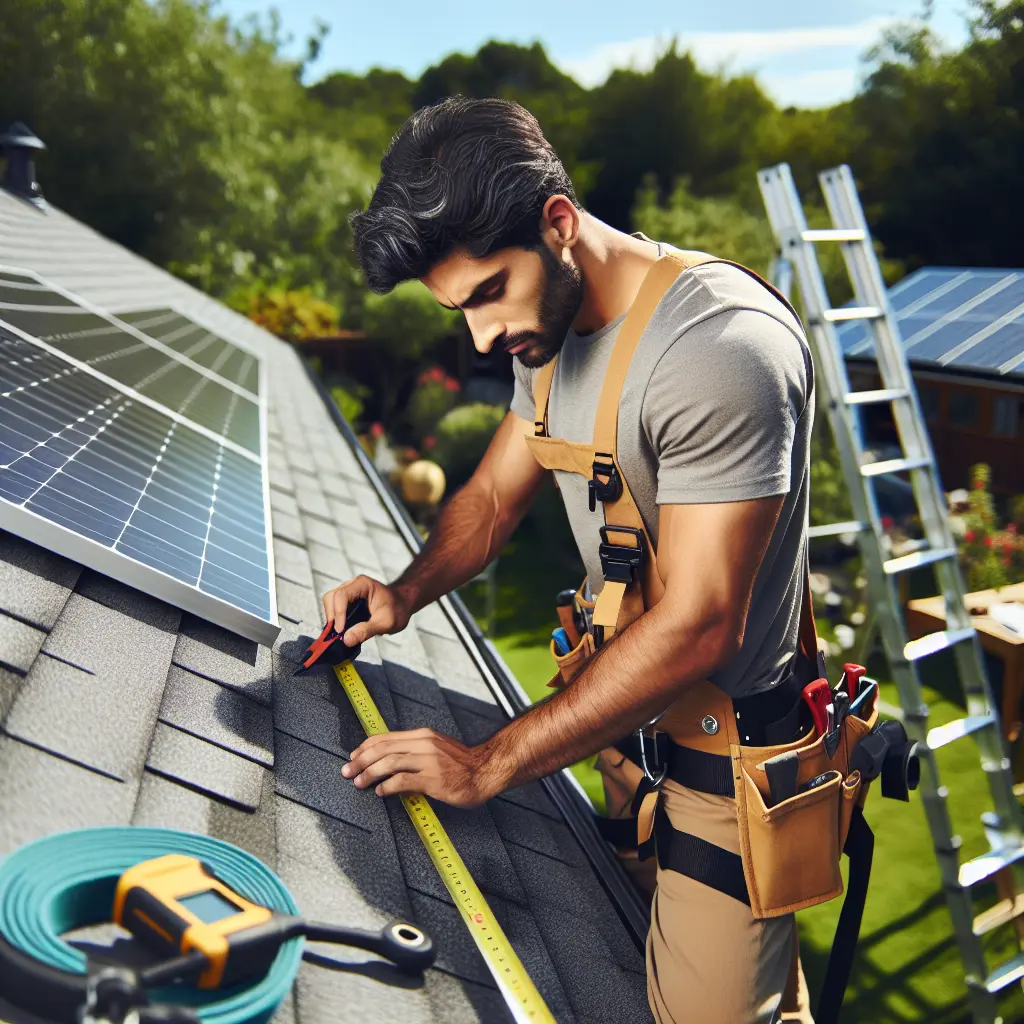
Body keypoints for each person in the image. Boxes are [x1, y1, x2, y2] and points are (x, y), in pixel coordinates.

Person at [326, 95, 818, 1024]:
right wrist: (403, 593)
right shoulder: (544, 329)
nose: (477, 336)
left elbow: (704, 624)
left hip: (726, 766)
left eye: (485, 296)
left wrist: (485, 766)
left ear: (557, 224)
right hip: (621, 739)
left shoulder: (720, 350)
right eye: (457, 310)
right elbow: (490, 500)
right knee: (610, 958)